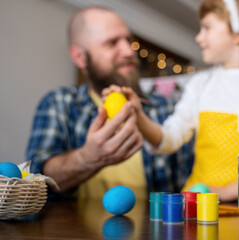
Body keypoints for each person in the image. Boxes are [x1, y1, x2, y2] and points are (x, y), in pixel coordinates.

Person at [103, 0, 239, 201]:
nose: (198, 37)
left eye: (207, 27)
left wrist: (224, 192)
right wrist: (138, 116)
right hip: (197, 200)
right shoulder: (200, 84)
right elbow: (170, 137)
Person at [26, 6, 193, 199]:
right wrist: (87, 158)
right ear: (80, 57)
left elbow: (189, 185)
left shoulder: (166, 109)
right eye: (112, 43)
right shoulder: (59, 103)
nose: (129, 51)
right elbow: (36, 179)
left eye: (128, 41)